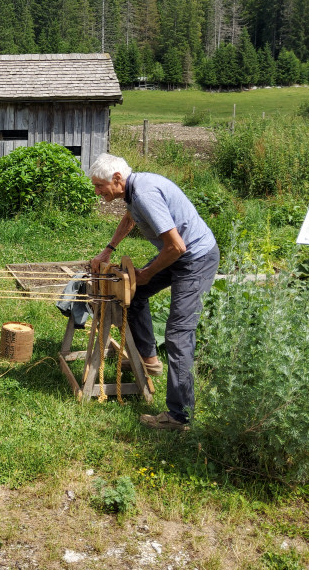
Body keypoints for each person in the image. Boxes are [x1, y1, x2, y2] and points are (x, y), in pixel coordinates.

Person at [87, 153, 219, 431]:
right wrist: (108, 249)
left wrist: (146, 274)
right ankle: (149, 360)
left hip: (195, 259)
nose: (97, 191)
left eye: (99, 186)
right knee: (132, 295)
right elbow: (130, 219)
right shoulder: (134, 191)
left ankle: (178, 416)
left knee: (178, 333)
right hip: (177, 254)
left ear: (117, 179)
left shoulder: (145, 193)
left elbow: (177, 247)